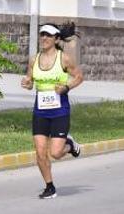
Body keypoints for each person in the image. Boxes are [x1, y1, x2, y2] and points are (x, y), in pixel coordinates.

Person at [20, 23, 84, 199]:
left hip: (59, 110)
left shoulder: (64, 59)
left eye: (48, 35)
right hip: (40, 110)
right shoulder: (34, 59)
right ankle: (50, 187)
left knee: (55, 153)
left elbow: (79, 77)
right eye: (42, 35)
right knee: (40, 152)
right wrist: (27, 83)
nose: (44, 38)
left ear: (56, 39)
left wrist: (66, 87)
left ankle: (69, 145)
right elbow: (30, 80)